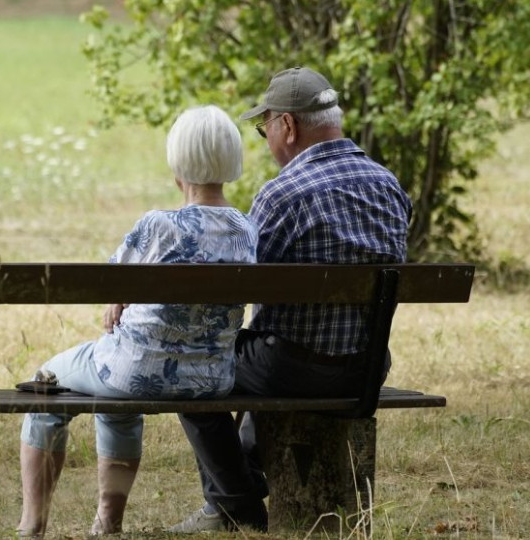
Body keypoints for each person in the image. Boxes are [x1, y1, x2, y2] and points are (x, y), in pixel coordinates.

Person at [170, 67, 413, 533]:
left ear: (288, 125)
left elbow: (238, 286)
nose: (267, 141)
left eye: (265, 130)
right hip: (366, 369)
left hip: (292, 369)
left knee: (190, 363)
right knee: (264, 347)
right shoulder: (389, 186)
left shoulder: (282, 195)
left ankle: (235, 503)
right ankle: (242, 480)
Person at [17, 105, 258, 538]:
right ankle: (107, 522)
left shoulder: (158, 225)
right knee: (116, 397)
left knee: (45, 385)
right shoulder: (246, 229)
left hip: (135, 371)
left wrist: (119, 299)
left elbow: (111, 281)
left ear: (177, 163)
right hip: (211, 379)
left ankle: (32, 525)